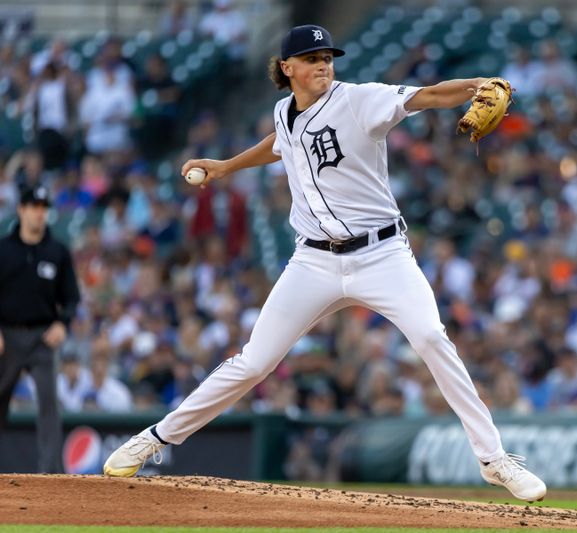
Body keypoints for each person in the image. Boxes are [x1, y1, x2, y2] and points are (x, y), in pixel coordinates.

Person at [104, 24, 547, 502]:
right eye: (312, 58)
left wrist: (477, 86)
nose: (323, 64)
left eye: (327, 57)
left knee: (431, 337)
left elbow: (430, 95)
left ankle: (493, 459)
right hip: (313, 261)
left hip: (382, 254)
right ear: (287, 68)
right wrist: (227, 166)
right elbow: (279, 143)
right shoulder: (283, 111)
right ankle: (157, 439)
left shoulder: (359, 100)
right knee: (253, 362)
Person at [0, 185, 81, 472]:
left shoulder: (56, 251)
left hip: (42, 337)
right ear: (21, 209)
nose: (39, 213)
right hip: (6, 337)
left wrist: (62, 323)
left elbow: (71, 297)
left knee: (49, 405)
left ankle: (51, 476)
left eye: (43, 208)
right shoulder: (4, 249)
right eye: (34, 207)